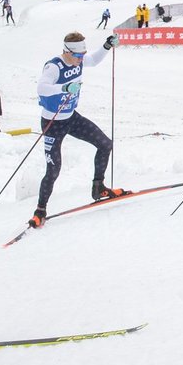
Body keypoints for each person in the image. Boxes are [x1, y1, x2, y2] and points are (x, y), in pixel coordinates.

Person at [28, 32, 124, 228]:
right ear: (67, 51)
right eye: (78, 56)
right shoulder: (54, 66)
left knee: (105, 144)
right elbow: (42, 88)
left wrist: (107, 46)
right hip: (52, 123)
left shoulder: (78, 60)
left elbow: (94, 60)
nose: (80, 60)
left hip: (71, 117)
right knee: (53, 169)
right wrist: (64, 88)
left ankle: (99, 188)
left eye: (82, 56)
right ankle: (40, 210)